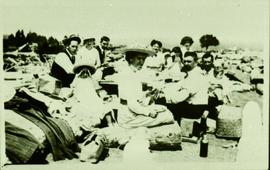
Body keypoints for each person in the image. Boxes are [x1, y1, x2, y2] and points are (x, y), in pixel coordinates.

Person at [116, 46, 174, 129]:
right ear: (131, 59)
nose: (142, 62)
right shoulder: (126, 74)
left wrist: (147, 94)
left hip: (134, 111)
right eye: (139, 59)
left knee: (164, 108)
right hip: (129, 118)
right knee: (168, 116)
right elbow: (131, 103)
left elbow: (135, 96)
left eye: (143, 59)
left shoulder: (133, 73)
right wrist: (148, 113)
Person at [162, 51, 209, 120]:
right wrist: (164, 90)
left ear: (196, 62)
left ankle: (172, 128)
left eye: (189, 61)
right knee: (164, 101)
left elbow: (181, 96)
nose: (186, 63)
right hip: (192, 105)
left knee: (162, 105)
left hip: (195, 109)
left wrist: (168, 98)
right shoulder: (191, 73)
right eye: (185, 61)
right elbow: (179, 84)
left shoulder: (196, 75)